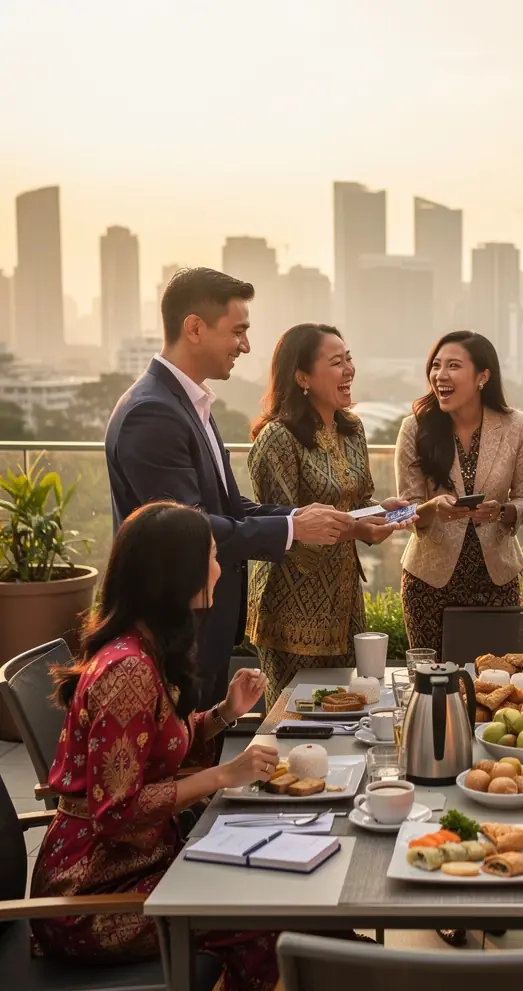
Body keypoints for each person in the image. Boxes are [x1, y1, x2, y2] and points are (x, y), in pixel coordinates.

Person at [31, 501, 282, 991]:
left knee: (269, 895)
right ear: (177, 574)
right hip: (94, 895)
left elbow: (148, 752)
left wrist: (222, 715)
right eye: (211, 557)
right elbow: (116, 811)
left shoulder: (138, 650)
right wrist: (223, 775)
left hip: (137, 869)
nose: (219, 568)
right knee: (269, 922)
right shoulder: (127, 671)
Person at [105, 268, 359, 714]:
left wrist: (300, 519)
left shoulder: (190, 403)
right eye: (238, 331)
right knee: (178, 762)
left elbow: (230, 506)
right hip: (172, 624)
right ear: (195, 328)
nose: (245, 345)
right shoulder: (153, 413)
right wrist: (293, 532)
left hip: (202, 621)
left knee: (201, 752)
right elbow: (188, 529)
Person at [247, 323, 412, 706]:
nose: (349, 370)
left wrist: (380, 512)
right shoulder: (277, 439)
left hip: (343, 602)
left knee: (349, 709)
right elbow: (282, 533)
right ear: (302, 376)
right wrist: (356, 529)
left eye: (349, 358)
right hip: (292, 609)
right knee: (295, 719)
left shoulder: (351, 429)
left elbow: (357, 501)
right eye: (337, 362)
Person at [396, 330, 523, 655]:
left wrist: (503, 511)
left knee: (497, 683)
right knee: (433, 687)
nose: (440, 375)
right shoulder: (415, 428)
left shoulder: (518, 426)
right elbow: (401, 512)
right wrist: (432, 507)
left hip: (496, 581)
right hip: (429, 583)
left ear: (482, 376)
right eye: (436, 365)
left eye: (453, 366)